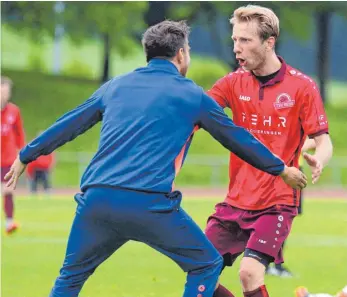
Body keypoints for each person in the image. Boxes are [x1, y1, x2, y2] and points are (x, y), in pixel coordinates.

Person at [4, 20, 306, 297]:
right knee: (205, 265)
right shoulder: (192, 95)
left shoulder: (115, 86)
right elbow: (237, 138)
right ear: (180, 55)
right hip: (148, 205)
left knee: (69, 278)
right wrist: (280, 169)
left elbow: (70, 123)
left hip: (97, 201)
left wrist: (26, 155)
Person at [203, 5, 333, 297]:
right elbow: (197, 114)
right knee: (199, 271)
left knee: (249, 273)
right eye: (235, 39)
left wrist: (318, 160)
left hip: (277, 201)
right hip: (235, 201)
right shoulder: (233, 82)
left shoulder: (302, 86)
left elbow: (323, 140)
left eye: (245, 40)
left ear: (269, 41)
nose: (237, 47)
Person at [266, 137, 316, 277]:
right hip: (282, 170)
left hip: (293, 171)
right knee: (276, 219)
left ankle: (273, 264)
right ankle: (274, 265)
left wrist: (299, 145)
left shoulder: (299, 121)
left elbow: (316, 140)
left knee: (283, 220)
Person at [1, 76, 25, 234]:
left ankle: (9, 223)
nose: (3, 95)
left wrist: (23, 153)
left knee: (8, 191)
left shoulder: (14, 111)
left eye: (5, 92)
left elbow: (19, 133)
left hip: (7, 159)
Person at [26, 131, 55, 197]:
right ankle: (33, 196)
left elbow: (51, 158)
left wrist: (49, 167)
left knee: (46, 183)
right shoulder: (33, 145)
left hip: (44, 169)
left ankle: (47, 194)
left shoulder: (49, 146)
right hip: (35, 169)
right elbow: (29, 158)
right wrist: (29, 171)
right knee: (33, 184)